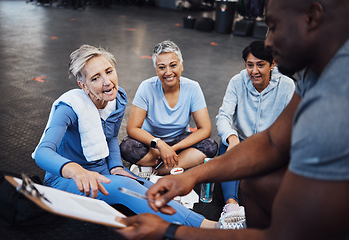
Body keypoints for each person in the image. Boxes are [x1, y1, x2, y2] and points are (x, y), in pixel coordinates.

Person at [116, 0, 349, 239]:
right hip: (173, 150)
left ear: (312, 16)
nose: (268, 41)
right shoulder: (316, 70)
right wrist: (190, 176)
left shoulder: (337, 96)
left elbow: (281, 235)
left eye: (274, 26)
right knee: (254, 185)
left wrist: (170, 230)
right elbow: (271, 141)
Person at [32, 44, 216, 228]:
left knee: (151, 187)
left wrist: (116, 167)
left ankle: (190, 220)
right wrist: (75, 170)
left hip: (102, 169)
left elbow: (111, 137)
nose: (107, 82)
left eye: (109, 71)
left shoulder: (117, 100)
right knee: (125, 188)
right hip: (68, 179)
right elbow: (42, 153)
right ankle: (208, 227)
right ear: (83, 86)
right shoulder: (69, 108)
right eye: (96, 78)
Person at [215, 40, 295, 229]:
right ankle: (231, 207)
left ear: (272, 64)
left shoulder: (287, 86)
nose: (254, 71)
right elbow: (223, 115)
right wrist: (232, 137)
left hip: (271, 144)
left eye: (260, 65)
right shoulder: (237, 81)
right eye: (250, 65)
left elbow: (292, 124)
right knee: (225, 145)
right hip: (241, 142)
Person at [120, 40, 218, 175]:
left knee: (210, 146)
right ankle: (174, 165)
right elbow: (132, 128)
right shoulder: (146, 87)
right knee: (127, 147)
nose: (168, 72)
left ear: (181, 66)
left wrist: (172, 148)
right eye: (161, 67)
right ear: (156, 68)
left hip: (179, 142)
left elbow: (205, 129)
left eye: (173, 65)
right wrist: (160, 145)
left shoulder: (193, 87)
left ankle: (158, 170)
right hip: (152, 144)